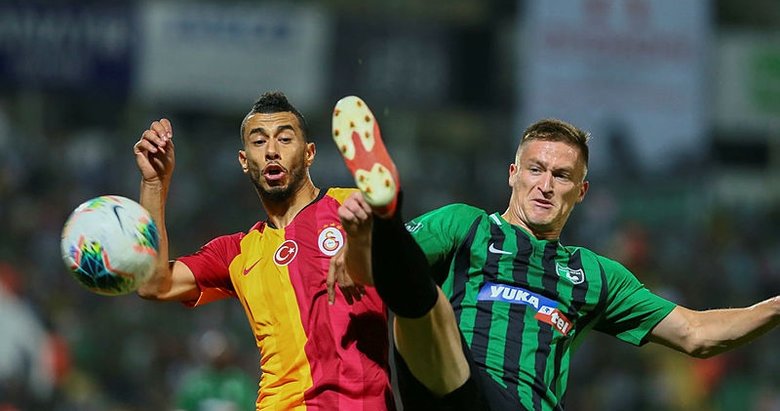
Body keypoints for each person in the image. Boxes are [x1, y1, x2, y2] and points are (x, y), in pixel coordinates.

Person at [330, 95, 780, 410]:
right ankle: (386, 214)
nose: (545, 185)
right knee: (424, 304)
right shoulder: (466, 224)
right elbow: (367, 273)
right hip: (446, 382)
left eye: (562, 176)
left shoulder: (594, 274)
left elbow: (696, 334)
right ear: (512, 173)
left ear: (581, 191)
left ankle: (386, 220)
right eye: (536, 169)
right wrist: (361, 242)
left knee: (426, 305)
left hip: (518, 405)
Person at [132, 91, 395, 410]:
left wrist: (361, 246)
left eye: (285, 139)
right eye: (258, 141)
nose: (271, 150)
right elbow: (153, 284)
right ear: (244, 161)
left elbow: (406, 255)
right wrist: (154, 185)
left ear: (309, 153)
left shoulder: (352, 207)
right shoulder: (237, 252)